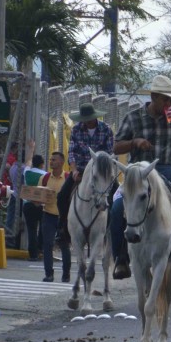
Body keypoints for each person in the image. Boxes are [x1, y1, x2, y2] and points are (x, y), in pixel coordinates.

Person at [110, 74, 171, 278]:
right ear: (153, 97)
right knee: (117, 208)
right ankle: (121, 258)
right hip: (138, 172)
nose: (169, 104)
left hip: (167, 168)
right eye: (165, 99)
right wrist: (135, 142)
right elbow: (116, 146)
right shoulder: (134, 117)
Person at [56, 103, 115, 246]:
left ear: (95, 117)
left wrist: (106, 171)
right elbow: (72, 152)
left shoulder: (106, 129)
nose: (87, 121)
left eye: (89, 118)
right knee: (62, 196)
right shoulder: (76, 129)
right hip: (81, 170)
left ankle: (113, 230)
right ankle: (63, 228)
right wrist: (74, 170)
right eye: (85, 119)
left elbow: (111, 153)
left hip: (101, 172)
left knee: (116, 196)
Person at [39, 151, 72, 283]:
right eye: (51, 159)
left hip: (64, 218)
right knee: (47, 245)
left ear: (62, 162)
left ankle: (66, 274)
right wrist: (37, 201)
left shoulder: (68, 178)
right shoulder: (45, 178)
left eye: (54, 160)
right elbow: (39, 195)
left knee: (64, 245)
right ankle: (49, 274)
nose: (51, 161)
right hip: (48, 215)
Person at [22, 151, 48, 262]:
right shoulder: (46, 175)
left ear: (33, 163)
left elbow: (27, 161)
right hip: (42, 205)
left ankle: (33, 254)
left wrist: (31, 149)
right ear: (42, 164)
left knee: (31, 230)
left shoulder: (27, 172)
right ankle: (40, 249)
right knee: (42, 228)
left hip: (28, 204)